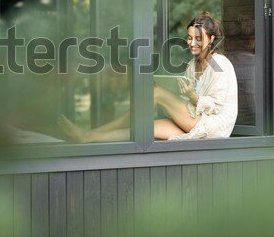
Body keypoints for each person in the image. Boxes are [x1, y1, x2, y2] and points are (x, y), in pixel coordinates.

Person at [58, 11, 238, 141]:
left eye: (198, 39)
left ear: (211, 39)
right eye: (190, 38)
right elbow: (187, 101)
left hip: (214, 126)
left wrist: (190, 96)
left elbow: (215, 107)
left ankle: (89, 133)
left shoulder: (220, 63)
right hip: (195, 119)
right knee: (145, 128)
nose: (192, 43)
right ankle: (87, 137)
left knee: (155, 93)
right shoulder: (193, 65)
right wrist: (179, 99)